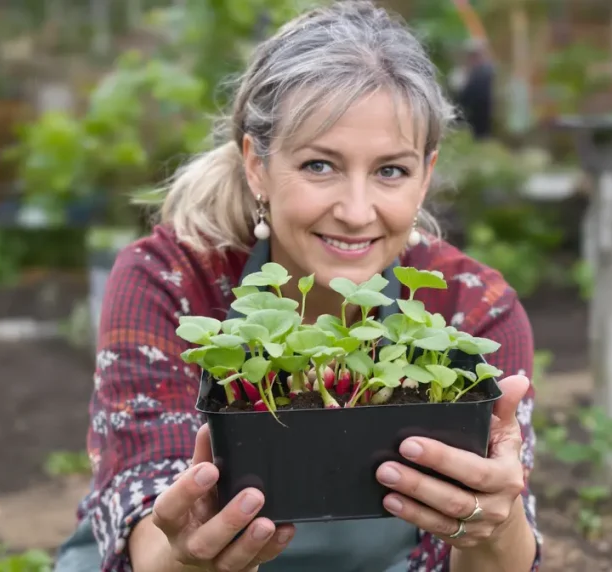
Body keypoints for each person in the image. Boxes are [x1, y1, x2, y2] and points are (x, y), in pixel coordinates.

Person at [54, 2, 542, 571]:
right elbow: (150, 531)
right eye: (319, 165)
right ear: (256, 164)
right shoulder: (168, 279)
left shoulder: (471, 306)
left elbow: (497, 550)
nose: (357, 212)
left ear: (425, 175)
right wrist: (189, 556)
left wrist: (491, 527)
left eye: (390, 170)